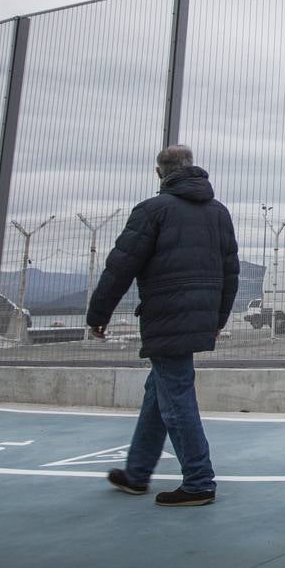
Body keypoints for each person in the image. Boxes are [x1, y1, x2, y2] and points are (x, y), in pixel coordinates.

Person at [88, 144, 239, 507]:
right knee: (160, 393)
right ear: (192, 168)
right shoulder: (218, 213)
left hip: (165, 316)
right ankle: (137, 474)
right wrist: (218, 318)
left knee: (176, 398)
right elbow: (230, 271)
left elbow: (119, 267)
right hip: (200, 315)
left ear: (160, 173)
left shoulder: (151, 211)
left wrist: (98, 315)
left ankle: (199, 481)